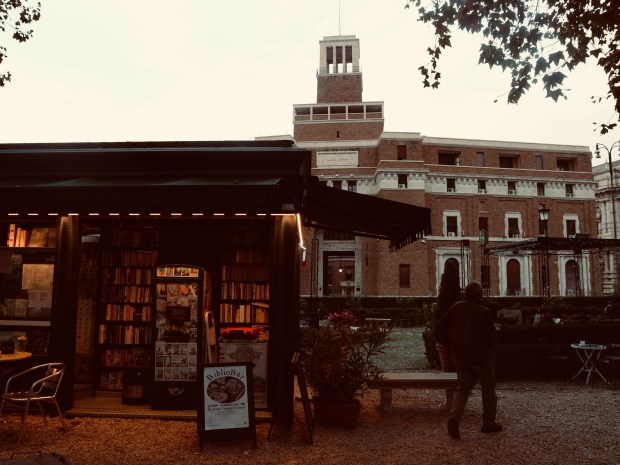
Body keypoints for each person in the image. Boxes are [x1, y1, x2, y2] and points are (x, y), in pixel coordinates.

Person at [437, 281, 501, 440]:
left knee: (463, 389)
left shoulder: (455, 308)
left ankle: (454, 418)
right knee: (488, 389)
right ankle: (488, 423)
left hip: (462, 357)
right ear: (479, 294)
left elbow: (440, 329)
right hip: (482, 358)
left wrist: (450, 349)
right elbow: (490, 338)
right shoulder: (484, 312)